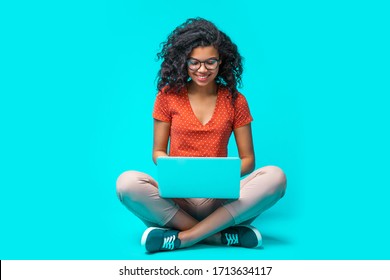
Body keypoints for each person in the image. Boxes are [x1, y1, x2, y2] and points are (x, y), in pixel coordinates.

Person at [116, 18, 287, 253]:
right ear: (183, 62)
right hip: (178, 201)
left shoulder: (236, 101)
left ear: (222, 62)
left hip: (221, 200)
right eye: (194, 62)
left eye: (210, 62)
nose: (202, 70)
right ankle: (218, 236)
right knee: (126, 183)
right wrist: (175, 167)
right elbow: (157, 151)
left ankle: (184, 238)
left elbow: (249, 160)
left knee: (276, 177)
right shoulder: (167, 97)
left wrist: (217, 174)